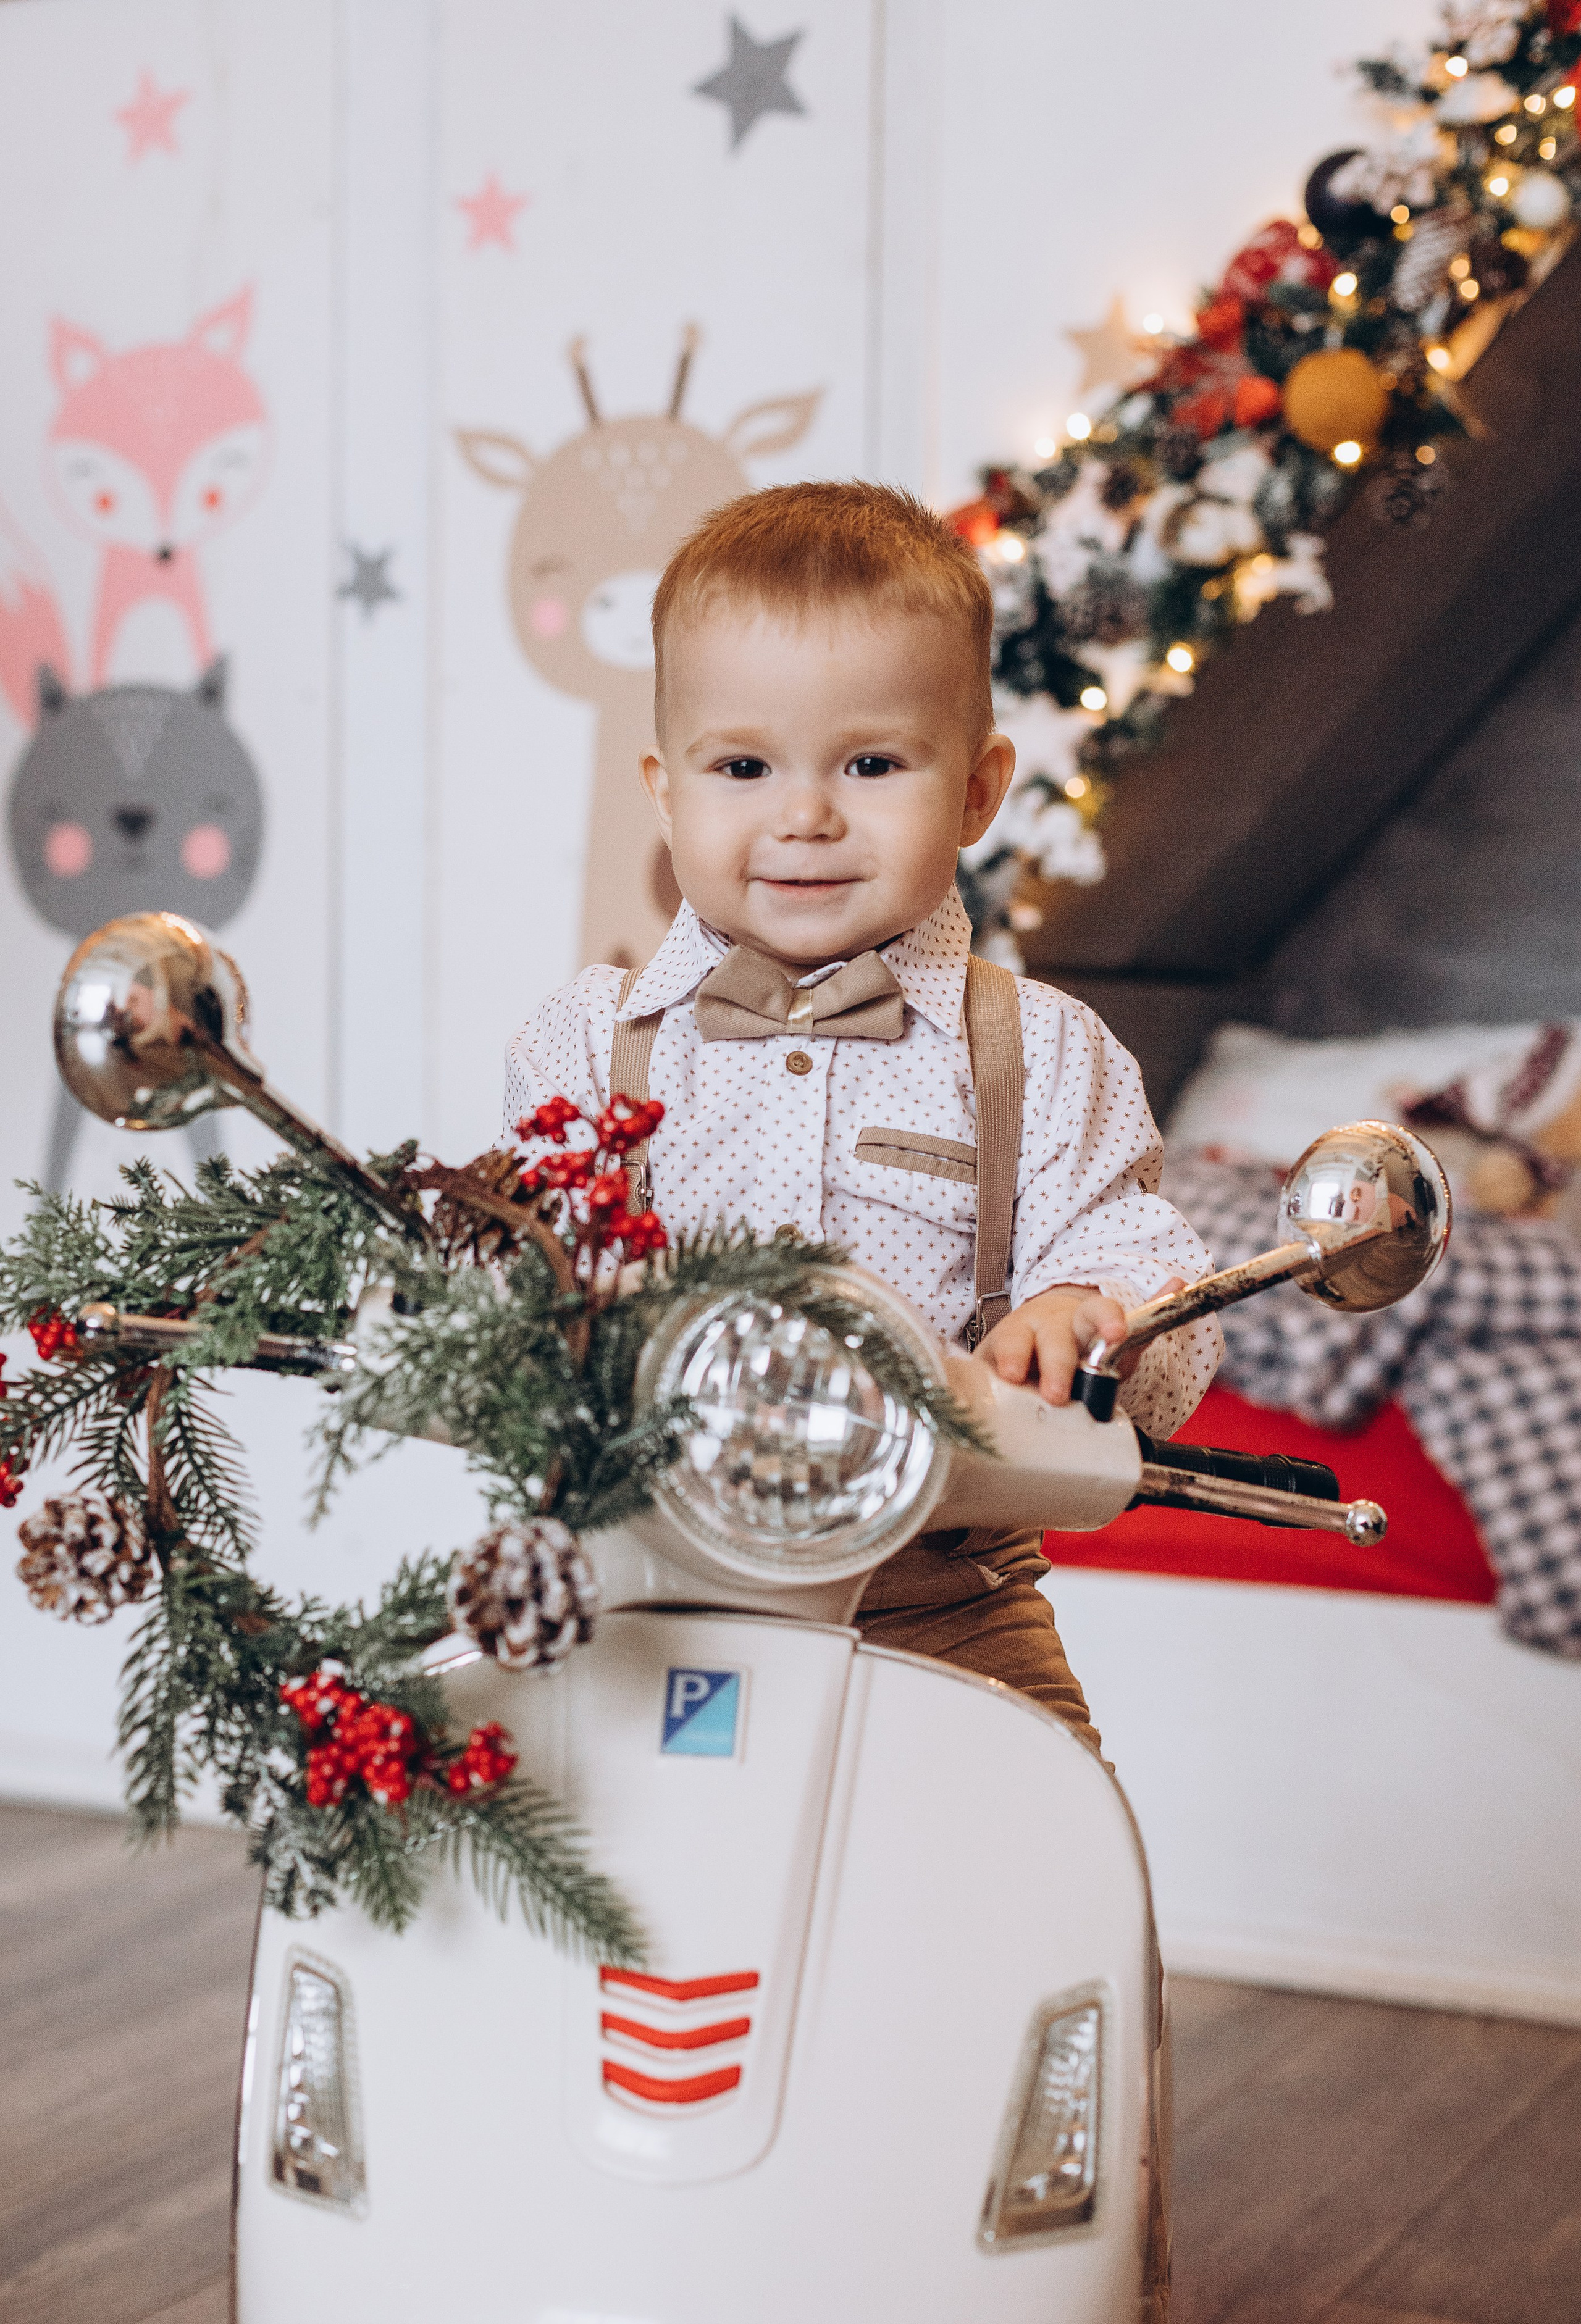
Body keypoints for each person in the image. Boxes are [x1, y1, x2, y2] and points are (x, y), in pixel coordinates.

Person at [503, 480, 1220, 1755]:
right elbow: (515, 1276)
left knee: (1044, 1862)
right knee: (579, 1869)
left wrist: (1088, 1313)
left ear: (976, 791)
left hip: (945, 1594)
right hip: (645, 1578)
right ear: (665, 789)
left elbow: (1141, 1258)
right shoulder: (589, 1043)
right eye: (743, 766)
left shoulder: (1038, 1051)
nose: (804, 814)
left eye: (871, 764)